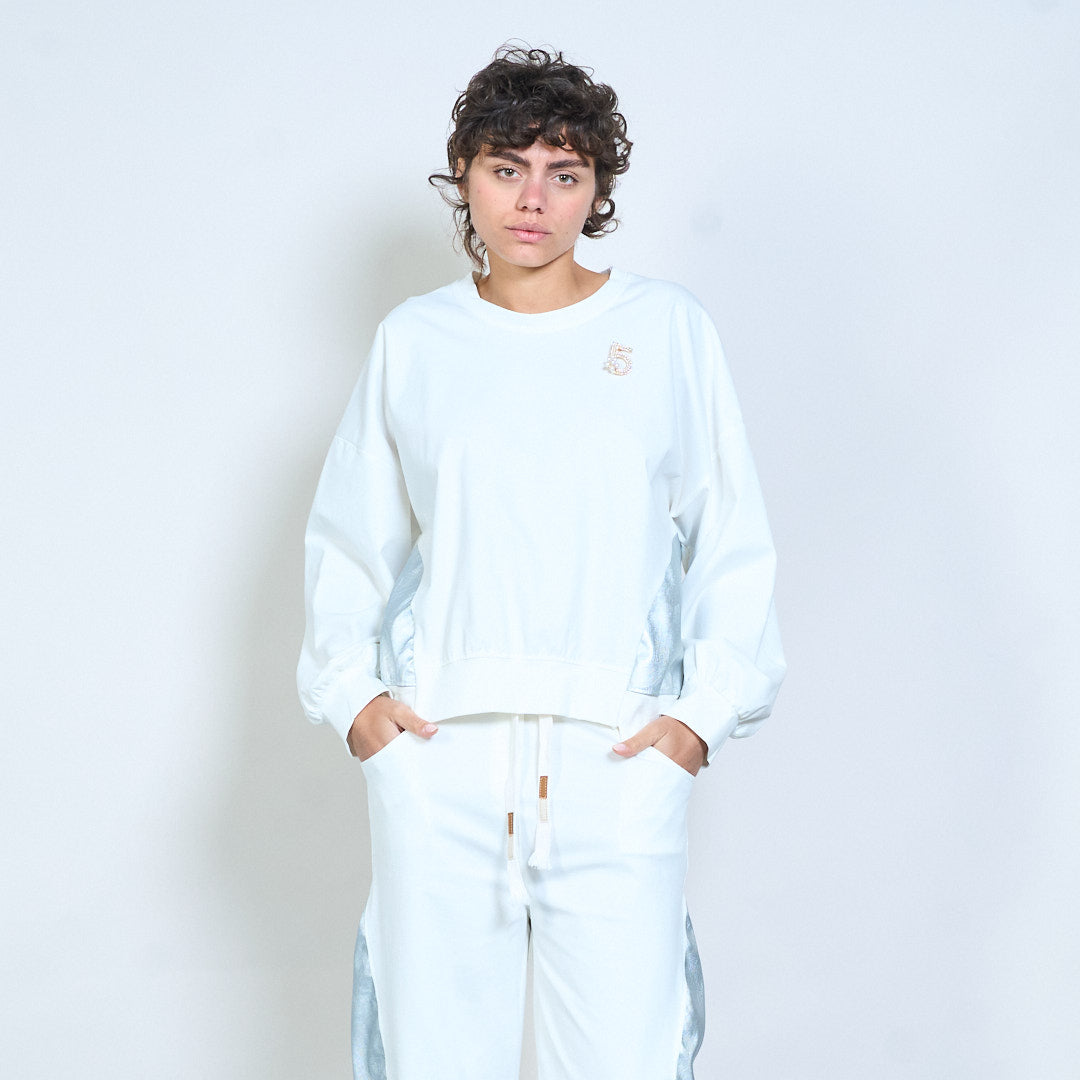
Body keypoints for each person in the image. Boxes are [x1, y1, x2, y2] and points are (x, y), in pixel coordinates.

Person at [297, 42, 786, 1080]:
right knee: (432, 1060)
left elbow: (730, 536)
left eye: (564, 172)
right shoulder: (416, 342)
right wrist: (356, 702)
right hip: (442, 758)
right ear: (464, 176)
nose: (533, 200)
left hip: (616, 759)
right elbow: (350, 537)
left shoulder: (664, 331)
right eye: (506, 167)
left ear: (597, 187)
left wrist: (698, 720)